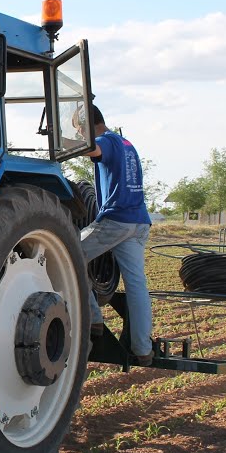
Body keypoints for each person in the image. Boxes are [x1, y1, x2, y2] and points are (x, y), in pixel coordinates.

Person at [73, 104, 155, 365]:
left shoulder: (105, 141)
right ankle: (143, 349)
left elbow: (93, 149)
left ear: (86, 126)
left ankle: (93, 319)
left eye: (77, 130)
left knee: (68, 253)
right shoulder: (126, 143)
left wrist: (60, 142)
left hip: (116, 219)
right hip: (139, 221)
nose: (77, 136)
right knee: (136, 285)